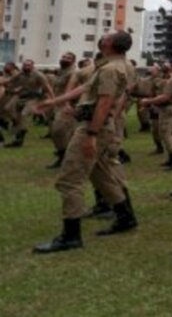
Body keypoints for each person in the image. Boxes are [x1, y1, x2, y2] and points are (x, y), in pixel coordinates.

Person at [32, 31, 138, 253]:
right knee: (100, 175)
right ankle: (126, 217)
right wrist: (54, 102)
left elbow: (104, 103)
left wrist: (91, 134)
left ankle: (71, 236)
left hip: (94, 127)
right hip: (101, 127)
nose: (102, 38)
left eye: (105, 37)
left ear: (109, 44)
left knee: (70, 180)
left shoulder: (110, 69)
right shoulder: (118, 64)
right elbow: (85, 88)